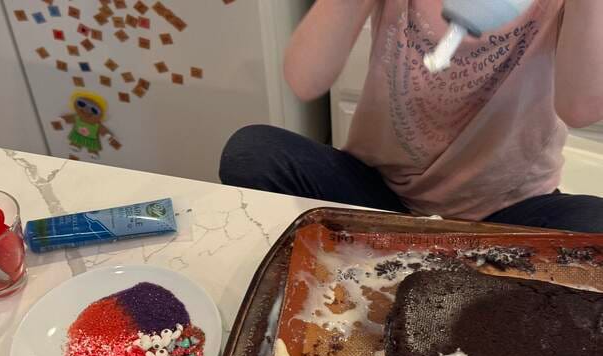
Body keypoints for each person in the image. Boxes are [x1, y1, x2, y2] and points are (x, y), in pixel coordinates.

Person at [219, 0, 603, 232]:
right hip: (384, 196)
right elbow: (303, 79)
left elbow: (580, 108)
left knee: (593, 227)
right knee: (253, 152)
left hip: (507, 211)